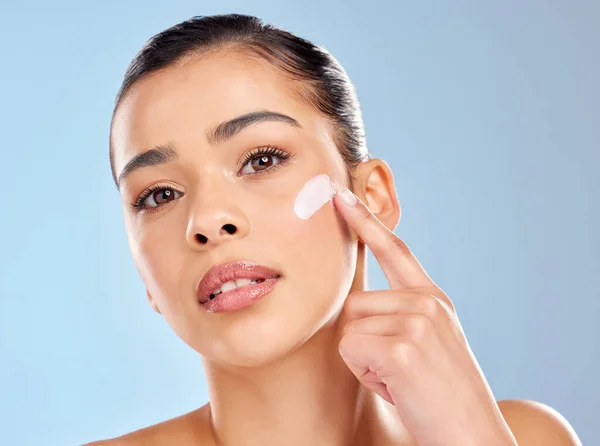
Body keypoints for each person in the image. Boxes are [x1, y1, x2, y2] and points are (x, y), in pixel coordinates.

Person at [87, 13, 581, 446]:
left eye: (261, 160)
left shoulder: (528, 438)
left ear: (372, 197)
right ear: (142, 272)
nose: (208, 222)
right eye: (159, 195)